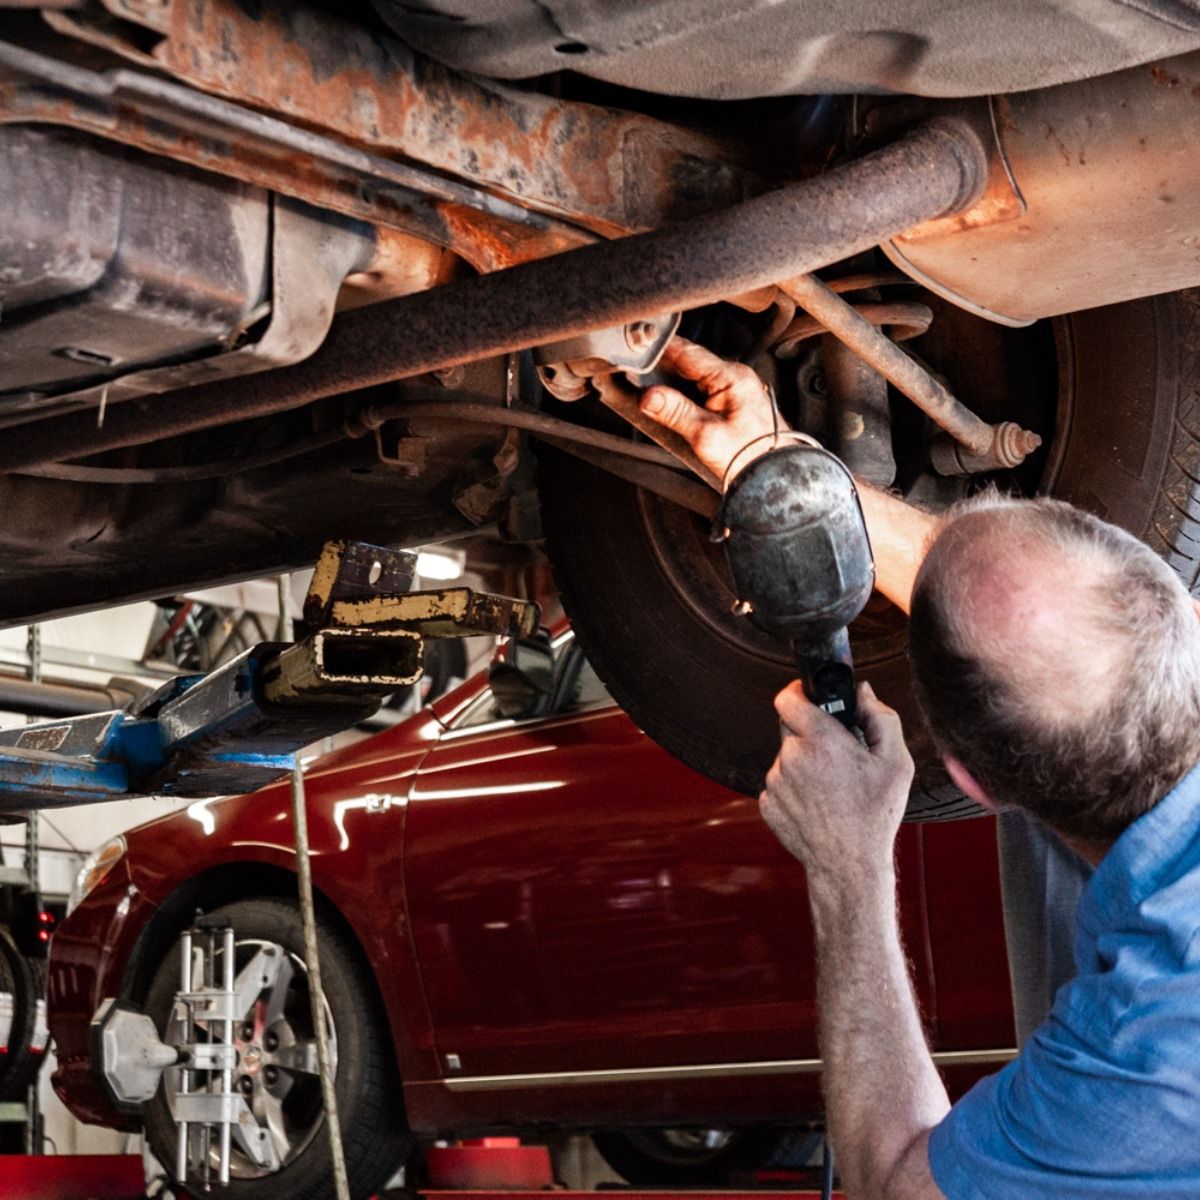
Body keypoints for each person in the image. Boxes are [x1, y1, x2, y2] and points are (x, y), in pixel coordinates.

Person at [630, 337, 1200, 1199]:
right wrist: (773, 460)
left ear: (967, 785)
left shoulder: (1143, 1055)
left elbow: (892, 1184)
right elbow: (1020, 613)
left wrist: (848, 869)